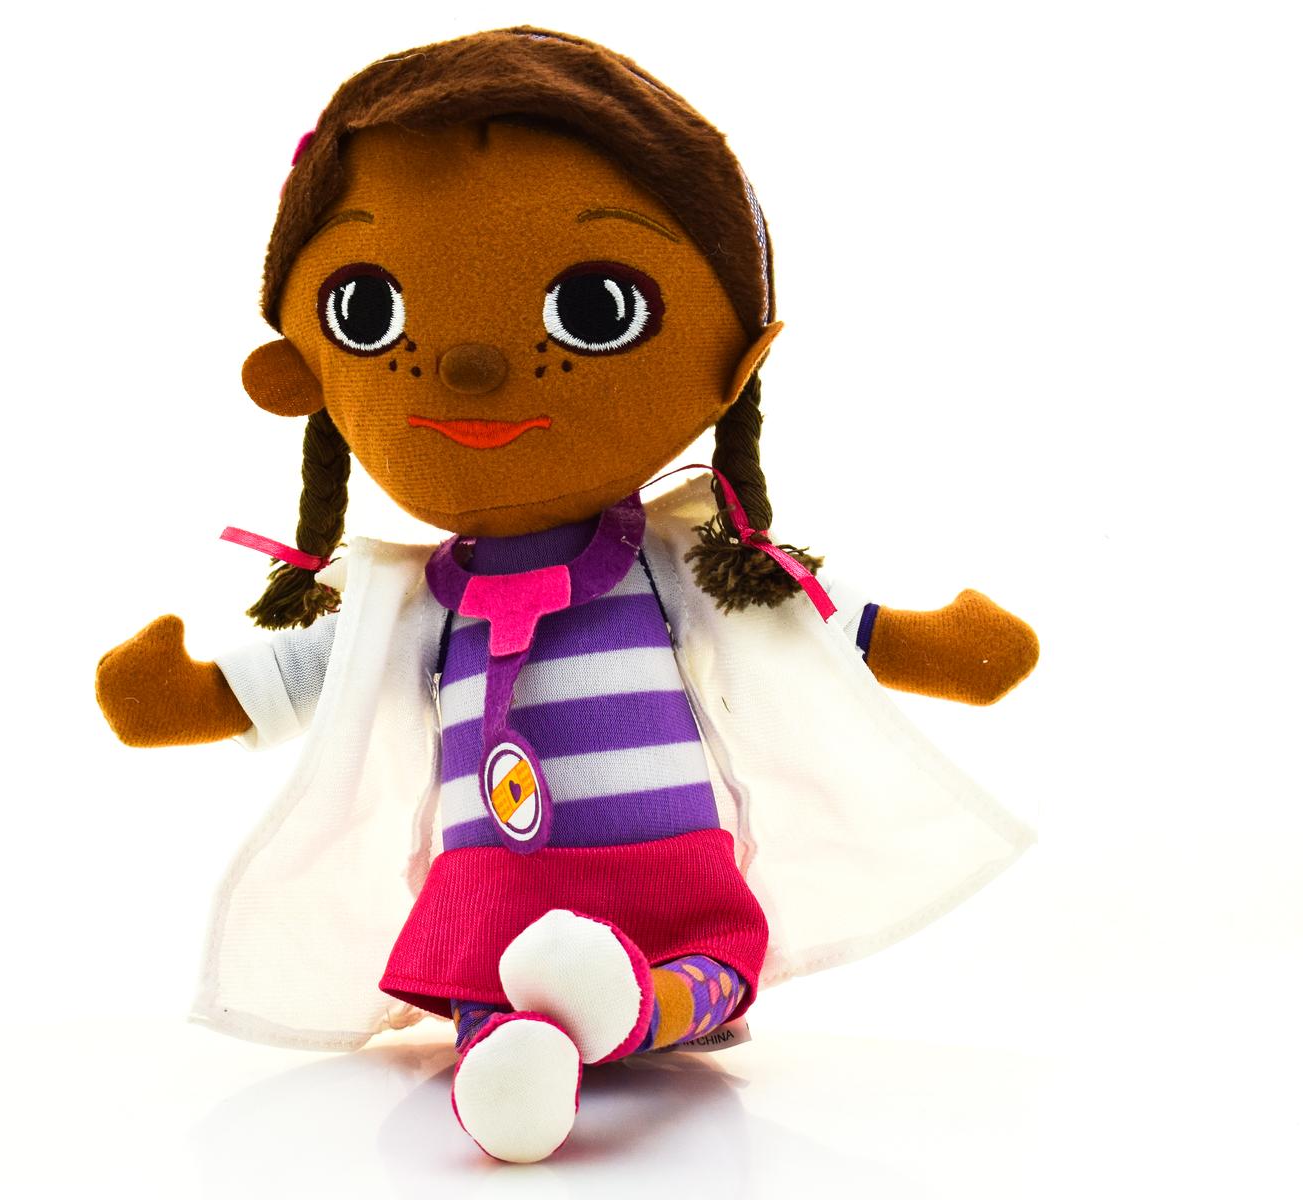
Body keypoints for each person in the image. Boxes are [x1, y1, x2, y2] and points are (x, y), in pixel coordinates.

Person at [96, 26, 1039, 1164]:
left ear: (732, 356)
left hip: (667, 869)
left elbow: (799, 617)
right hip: (495, 880)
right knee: (492, 981)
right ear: (299, 373)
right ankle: (526, 1048)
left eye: (595, 306)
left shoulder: (678, 557)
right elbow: (317, 670)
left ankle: (611, 1014)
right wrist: (201, 694)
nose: (468, 369)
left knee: (708, 966)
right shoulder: (413, 600)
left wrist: (923, 642)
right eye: (369, 313)